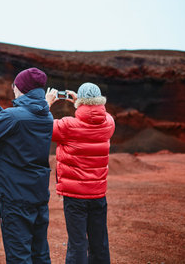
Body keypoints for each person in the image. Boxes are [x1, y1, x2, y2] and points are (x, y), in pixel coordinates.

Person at [0, 68, 54, 264]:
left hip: (15, 197)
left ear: (22, 88)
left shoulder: (14, 117)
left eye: (15, 85)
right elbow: (18, 129)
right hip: (38, 195)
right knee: (39, 254)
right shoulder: (46, 115)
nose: (13, 89)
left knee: (18, 256)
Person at [46, 83, 115, 264]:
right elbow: (101, 115)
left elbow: (42, 126)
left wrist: (47, 105)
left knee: (77, 243)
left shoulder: (68, 125)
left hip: (75, 196)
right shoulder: (108, 124)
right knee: (99, 242)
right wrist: (82, 102)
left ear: (82, 102)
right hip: (98, 194)